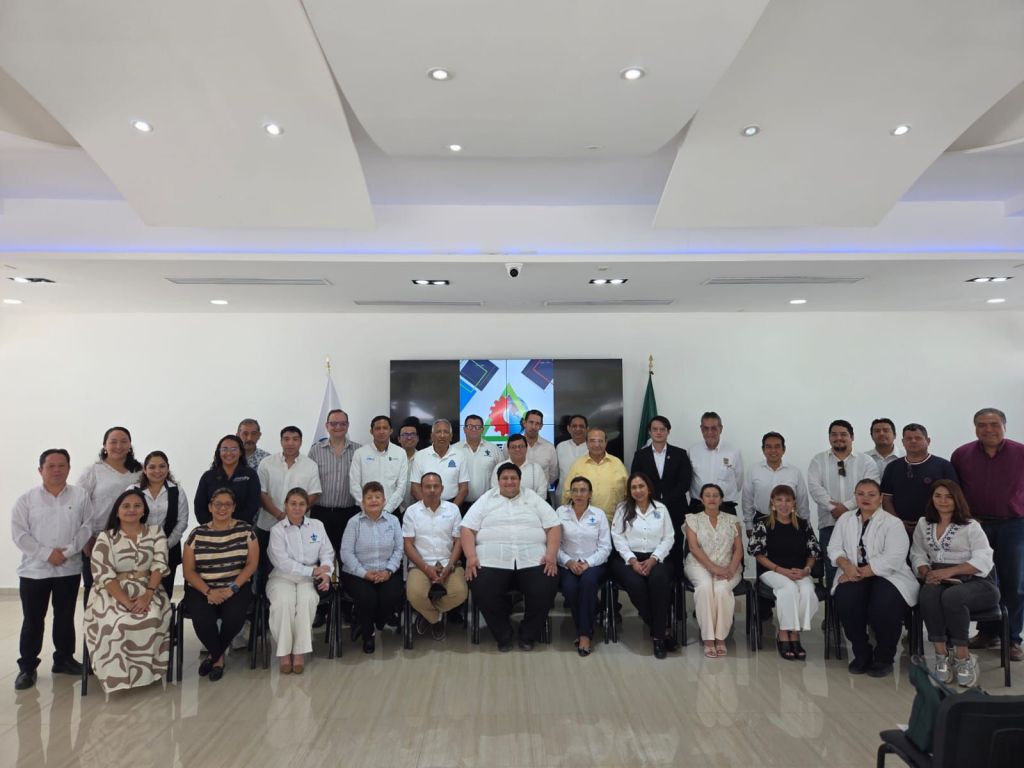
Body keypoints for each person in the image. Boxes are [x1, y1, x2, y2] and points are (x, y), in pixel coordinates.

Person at [12, 449, 92, 691]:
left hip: (68, 568)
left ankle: (64, 660)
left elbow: (87, 527)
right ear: (41, 470)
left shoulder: (80, 496)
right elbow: (19, 534)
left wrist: (67, 552)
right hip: (34, 570)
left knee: (65, 616)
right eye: (51, 466)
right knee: (33, 620)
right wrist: (47, 554)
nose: (57, 470)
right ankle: (27, 667)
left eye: (62, 465)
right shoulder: (26, 500)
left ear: (69, 468)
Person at [461, 463, 561, 651]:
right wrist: (471, 557)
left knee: (547, 584)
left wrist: (551, 554)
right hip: (491, 559)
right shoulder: (486, 499)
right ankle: (503, 634)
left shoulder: (532, 498)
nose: (509, 482)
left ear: (520, 480)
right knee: (481, 585)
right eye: (505, 478)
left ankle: (528, 634)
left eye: (513, 478)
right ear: (498, 481)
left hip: (533, 558)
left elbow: (554, 525)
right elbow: (467, 528)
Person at [951, 408, 1024, 661]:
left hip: (1014, 525)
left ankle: (1012, 638)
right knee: (982, 581)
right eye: (982, 424)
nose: (988, 429)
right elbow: (956, 491)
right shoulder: (961, 455)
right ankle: (987, 633)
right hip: (976, 526)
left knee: (1014, 583)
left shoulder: (1020, 452)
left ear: (1004, 426)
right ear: (975, 428)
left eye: (994, 424)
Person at [910, 480, 998, 687]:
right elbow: (917, 553)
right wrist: (925, 572)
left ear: (957, 499)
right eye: (938, 496)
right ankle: (941, 656)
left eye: (948, 496)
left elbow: (983, 560)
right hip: (939, 579)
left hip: (978, 582)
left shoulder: (971, 526)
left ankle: (963, 657)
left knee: (953, 596)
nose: (943, 501)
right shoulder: (924, 523)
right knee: (928, 593)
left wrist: (949, 571)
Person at [83, 489, 172, 692]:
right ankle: (116, 677)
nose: (132, 510)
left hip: (148, 589)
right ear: (117, 511)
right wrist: (127, 602)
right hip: (111, 592)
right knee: (117, 622)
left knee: (152, 616)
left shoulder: (156, 532)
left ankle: (144, 675)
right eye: (126, 506)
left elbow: (159, 565)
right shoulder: (105, 537)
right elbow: (104, 574)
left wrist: (147, 595)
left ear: (144, 510)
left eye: (137, 506)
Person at [829, 478, 919, 677]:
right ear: (855, 496)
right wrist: (846, 566)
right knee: (846, 599)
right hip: (852, 572)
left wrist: (859, 573)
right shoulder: (845, 519)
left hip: (889, 575)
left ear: (880, 498)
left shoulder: (892, 522)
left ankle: (884, 657)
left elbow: (894, 557)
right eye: (861, 494)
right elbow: (834, 548)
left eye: (871, 494)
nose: (866, 498)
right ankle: (861, 653)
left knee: (884, 604)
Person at [182, 487, 259, 681]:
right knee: (203, 619)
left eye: (227, 504)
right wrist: (209, 592)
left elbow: (251, 564)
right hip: (202, 588)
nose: (222, 508)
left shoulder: (246, 531)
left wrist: (232, 588)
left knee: (234, 617)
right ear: (210, 507)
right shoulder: (197, 534)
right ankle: (218, 657)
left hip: (236, 586)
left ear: (234, 507)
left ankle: (214, 656)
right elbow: (188, 571)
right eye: (217, 504)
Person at [748, 485, 821, 661]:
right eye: (779, 500)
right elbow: (758, 554)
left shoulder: (803, 524)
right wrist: (781, 570)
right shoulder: (762, 524)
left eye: (788, 500)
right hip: (772, 571)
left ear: (794, 503)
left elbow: (813, 552)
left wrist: (806, 570)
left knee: (807, 591)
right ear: (772, 502)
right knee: (788, 589)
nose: (784, 504)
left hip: (799, 572)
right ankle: (784, 634)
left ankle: (794, 631)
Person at [267, 488, 334, 674]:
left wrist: (327, 573)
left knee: (307, 601)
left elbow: (327, 553)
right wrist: (312, 570)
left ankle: (299, 653)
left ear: (307, 506)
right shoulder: (277, 530)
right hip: (282, 576)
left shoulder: (317, 526)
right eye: (293, 504)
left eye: (302, 504)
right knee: (283, 602)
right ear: (285, 506)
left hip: (310, 578)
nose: (297, 508)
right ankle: (284, 653)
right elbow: (282, 562)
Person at [610, 472, 675, 658]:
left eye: (641, 486)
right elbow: (617, 537)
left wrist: (654, 558)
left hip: (657, 557)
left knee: (659, 581)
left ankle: (658, 636)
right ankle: (661, 631)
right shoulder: (623, 509)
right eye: (634, 487)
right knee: (635, 583)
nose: (638, 491)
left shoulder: (661, 508)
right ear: (629, 491)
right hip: (627, 558)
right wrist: (632, 560)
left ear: (649, 488)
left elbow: (669, 538)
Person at [807, 419, 880, 585]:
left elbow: (871, 488)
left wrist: (846, 508)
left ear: (852, 437)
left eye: (843, 434)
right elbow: (815, 488)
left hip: (861, 523)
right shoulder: (818, 460)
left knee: (861, 565)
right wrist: (833, 508)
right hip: (829, 523)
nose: (838, 438)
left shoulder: (866, 461)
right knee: (832, 567)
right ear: (829, 438)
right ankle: (835, 601)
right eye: (834, 434)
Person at [77, 427, 143, 599]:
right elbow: (78, 506)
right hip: (97, 538)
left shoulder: (140, 471)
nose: (118, 446)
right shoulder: (93, 471)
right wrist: (86, 539)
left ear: (130, 445)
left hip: (132, 539)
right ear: (104, 445)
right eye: (113, 442)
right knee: (95, 586)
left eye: (124, 441)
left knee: (128, 585)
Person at [340, 481, 404, 653]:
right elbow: (346, 553)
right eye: (369, 497)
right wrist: (364, 573)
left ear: (384, 501)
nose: (374, 500)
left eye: (377, 497)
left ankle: (374, 622)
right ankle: (368, 635)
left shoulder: (393, 521)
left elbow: (399, 549)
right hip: (357, 573)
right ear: (363, 502)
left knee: (390, 595)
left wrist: (388, 571)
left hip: (387, 571)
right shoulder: (354, 522)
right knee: (367, 598)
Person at [402, 473, 468, 640]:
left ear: (442, 489)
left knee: (460, 592)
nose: (432, 490)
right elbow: (408, 544)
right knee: (414, 594)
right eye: (427, 486)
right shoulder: (412, 511)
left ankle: (428, 615)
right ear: (421, 489)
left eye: (435, 486)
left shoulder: (453, 509)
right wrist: (425, 568)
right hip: (420, 564)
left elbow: (458, 541)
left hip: (448, 562)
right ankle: (435, 619)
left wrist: (450, 566)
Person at [684, 484, 743, 658]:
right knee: (704, 587)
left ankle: (720, 638)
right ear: (701, 499)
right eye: (707, 495)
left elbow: (738, 549)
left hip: (728, 566)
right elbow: (693, 548)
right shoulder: (692, 519)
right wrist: (714, 568)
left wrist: (731, 569)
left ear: (721, 499)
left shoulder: (732, 520)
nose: (712, 498)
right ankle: (709, 639)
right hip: (698, 566)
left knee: (721, 590)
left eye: (715, 495)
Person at [631, 415, 692, 577]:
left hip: (675, 508)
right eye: (655, 429)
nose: (658, 432)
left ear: (668, 431)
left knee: (676, 547)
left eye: (662, 429)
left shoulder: (680, 454)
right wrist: (653, 502)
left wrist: (665, 501)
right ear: (649, 432)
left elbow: (685, 482)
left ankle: (677, 585)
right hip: (648, 509)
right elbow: (636, 481)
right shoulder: (640, 455)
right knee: (653, 545)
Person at [557, 476, 611, 657]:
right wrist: (568, 562)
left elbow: (605, 547)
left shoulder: (599, 514)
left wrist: (588, 563)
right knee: (570, 588)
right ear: (570, 493)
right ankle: (591, 614)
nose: (579, 494)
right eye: (575, 490)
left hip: (594, 563)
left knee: (588, 584)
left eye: (583, 490)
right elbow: (554, 544)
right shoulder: (560, 513)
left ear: (590, 494)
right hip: (567, 563)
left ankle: (584, 635)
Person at [257, 426, 322, 565]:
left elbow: (314, 493)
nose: (290, 443)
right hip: (268, 525)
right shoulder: (267, 463)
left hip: (298, 527)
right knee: (264, 567)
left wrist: (295, 515)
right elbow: (261, 493)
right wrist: (280, 515)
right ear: (281, 441)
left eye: (295, 439)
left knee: (295, 566)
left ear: (301, 441)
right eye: (286, 439)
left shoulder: (310, 465)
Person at [881, 424, 959, 536]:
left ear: (928, 440)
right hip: (899, 529)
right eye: (909, 438)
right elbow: (886, 499)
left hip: (936, 528)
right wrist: (897, 523)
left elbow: (955, 498)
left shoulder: (943, 466)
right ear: (903, 442)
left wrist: (937, 523)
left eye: (918, 438)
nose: (913, 441)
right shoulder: (892, 467)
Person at [131, 451, 189, 597]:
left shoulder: (177, 491)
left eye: (162, 466)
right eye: (152, 467)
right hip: (137, 551)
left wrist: (165, 545)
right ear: (145, 470)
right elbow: (125, 519)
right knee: (138, 594)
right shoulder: (133, 490)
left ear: (168, 468)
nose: (157, 471)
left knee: (164, 594)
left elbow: (182, 521)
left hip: (169, 550)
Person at [308, 408, 362, 556]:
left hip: (349, 513)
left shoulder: (359, 451)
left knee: (346, 556)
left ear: (348, 425)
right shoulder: (315, 451)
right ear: (327, 426)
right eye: (333, 424)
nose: (338, 427)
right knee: (319, 555)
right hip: (320, 513)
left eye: (342, 423)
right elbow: (308, 481)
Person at [742, 432, 810, 533]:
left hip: (789, 522)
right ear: (763, 449)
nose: (773, 450)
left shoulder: (794, 472)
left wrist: (806, 525)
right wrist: (749, 525)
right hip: (761, 521)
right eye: (768, 447)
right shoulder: (753, 470)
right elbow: (747, 499)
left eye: (777, 446)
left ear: (784, 449)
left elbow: (802, 501)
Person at [562, 428, 628, 524]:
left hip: (614, 522)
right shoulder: (577, 465)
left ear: (606, 442)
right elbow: (567, 494)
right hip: (585, 523)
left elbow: (628, 493)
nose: (597, 445)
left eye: (600, 441)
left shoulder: (617, 464)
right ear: (587, 443)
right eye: (592, 441)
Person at [350, 415, 410, 520]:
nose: (381, 431)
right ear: (371, 431)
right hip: (364, 511)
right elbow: (354, 485)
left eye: (385, 428)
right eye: (378, 428)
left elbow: (401, 486)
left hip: (391, 510)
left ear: (391, 431)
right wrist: (367, 508)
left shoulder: (400, 453)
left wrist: (386, 510)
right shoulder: (360, 453)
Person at [194, 435, 261, 525]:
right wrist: (215, 526)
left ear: (241, 452)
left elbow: (253, 504)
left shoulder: (250, 475)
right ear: (219, 452)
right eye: (224, 449)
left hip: (241, 528)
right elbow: (199, 506)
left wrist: (233, 525)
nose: (229, 453)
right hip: (212, 529)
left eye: (234, 449)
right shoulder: (208, 476)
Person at [688, 412, 743, 516]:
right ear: (701, 429)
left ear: (721, 428)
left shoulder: (733, 451)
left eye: (714, 428)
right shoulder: (692, 451)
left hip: (725, 507)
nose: (710, 432)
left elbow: (739, 480)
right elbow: (688, 478)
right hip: (698, 507)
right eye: (706, 428)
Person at [411, 419, 469, 507]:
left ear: (451, 436)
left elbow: (464, 488)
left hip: (452, 504)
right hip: (425, 505)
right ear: (432, 436)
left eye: (446, 432)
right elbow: (415, 488)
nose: (442, 435)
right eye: (438, 432)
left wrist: (453, 509)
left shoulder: (460, 455)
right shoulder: (420, 455)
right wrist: (428, 507)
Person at [456, 414, 503, 511]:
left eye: (477, 427)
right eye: (470, 426)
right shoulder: (454, 450)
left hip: (487, 505)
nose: (474, 429)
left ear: (482, 430)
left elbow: (502, 476)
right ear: (464, 429)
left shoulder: (495, 450)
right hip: (460, 504)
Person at [522, 409, 558, 491]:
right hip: (519, 494)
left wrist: (542, 486)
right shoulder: (513, 446)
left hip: (542, 494)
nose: (533, 427)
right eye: (531, 422)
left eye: (537, 423)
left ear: (541, 426)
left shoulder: (549, 447)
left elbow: (553, 474)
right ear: (524, 423)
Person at [555, 414, 589, 502]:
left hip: (586, 497)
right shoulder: (560, 447)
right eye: (574, 426)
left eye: (581, 426)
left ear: (587, 429)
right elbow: (555, 473)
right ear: (568, 428)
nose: (578, 429)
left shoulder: (592, 448)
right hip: (563, 496)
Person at [398, 422, 421, 511]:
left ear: (417, 438)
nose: (409, 437)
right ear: (399, 439)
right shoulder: (391, 458)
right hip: (395, 508)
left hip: (418, 508)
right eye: (405, 435)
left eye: (412, 434)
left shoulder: (424, 458)